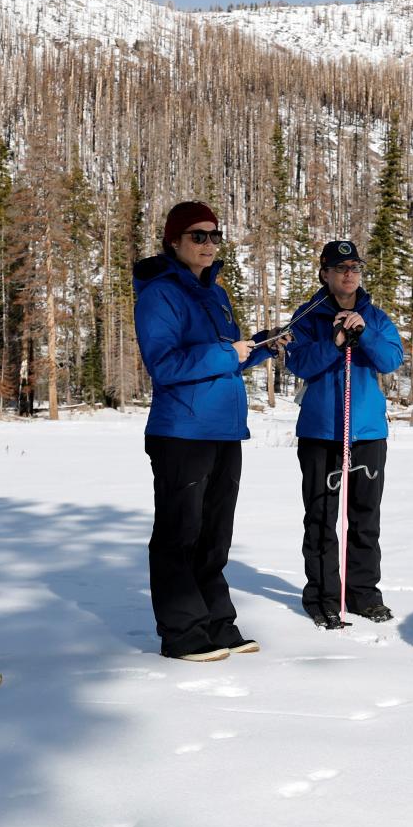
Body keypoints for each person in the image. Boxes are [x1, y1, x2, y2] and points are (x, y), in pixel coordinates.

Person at [133, 201, 285, 661]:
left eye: (214, 236)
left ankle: (218, 623)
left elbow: (229, 356)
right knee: (180, 533)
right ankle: (182, 632)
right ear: (173, 241)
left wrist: (262, 347)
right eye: (197, 236)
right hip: (181, 430)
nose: (208, 244)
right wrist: (230, 354)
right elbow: (164, 364)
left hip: (223, 429)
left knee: (215, 536)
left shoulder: (215, 294)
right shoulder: (160, 295)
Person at [285, 240, 405, 628]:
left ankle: (363, 594)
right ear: (325, 273)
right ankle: (321, 596)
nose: (349, 274)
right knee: (321, 517)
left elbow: (390, 359)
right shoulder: (308, 316)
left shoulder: (376, 316)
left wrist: (363, 334)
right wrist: (335, 342)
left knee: (365, 517)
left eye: (354, 267)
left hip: (367, 432)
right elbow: (298, 363)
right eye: (340, 268)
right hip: (322, 432)